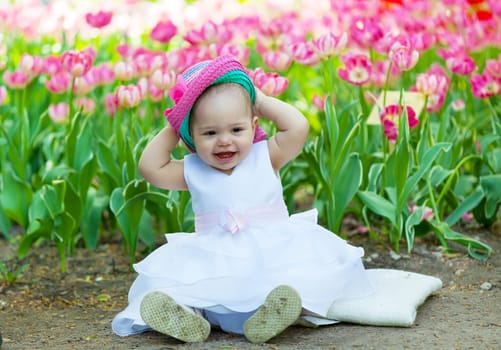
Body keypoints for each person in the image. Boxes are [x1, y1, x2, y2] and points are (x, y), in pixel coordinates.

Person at [112, 54, 374, 343]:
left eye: (236, 130)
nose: (224, 140)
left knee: (295, 280)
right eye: (209, 132)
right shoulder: (193, 169)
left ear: (253, 125)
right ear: (193, 137)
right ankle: (187, 317)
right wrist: (176, 124)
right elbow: (149, 167)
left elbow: (298, 127)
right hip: (215, 262)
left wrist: (259, 98)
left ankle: (274, 313)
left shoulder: (266, 155)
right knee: (187, 286)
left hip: (272, 251)